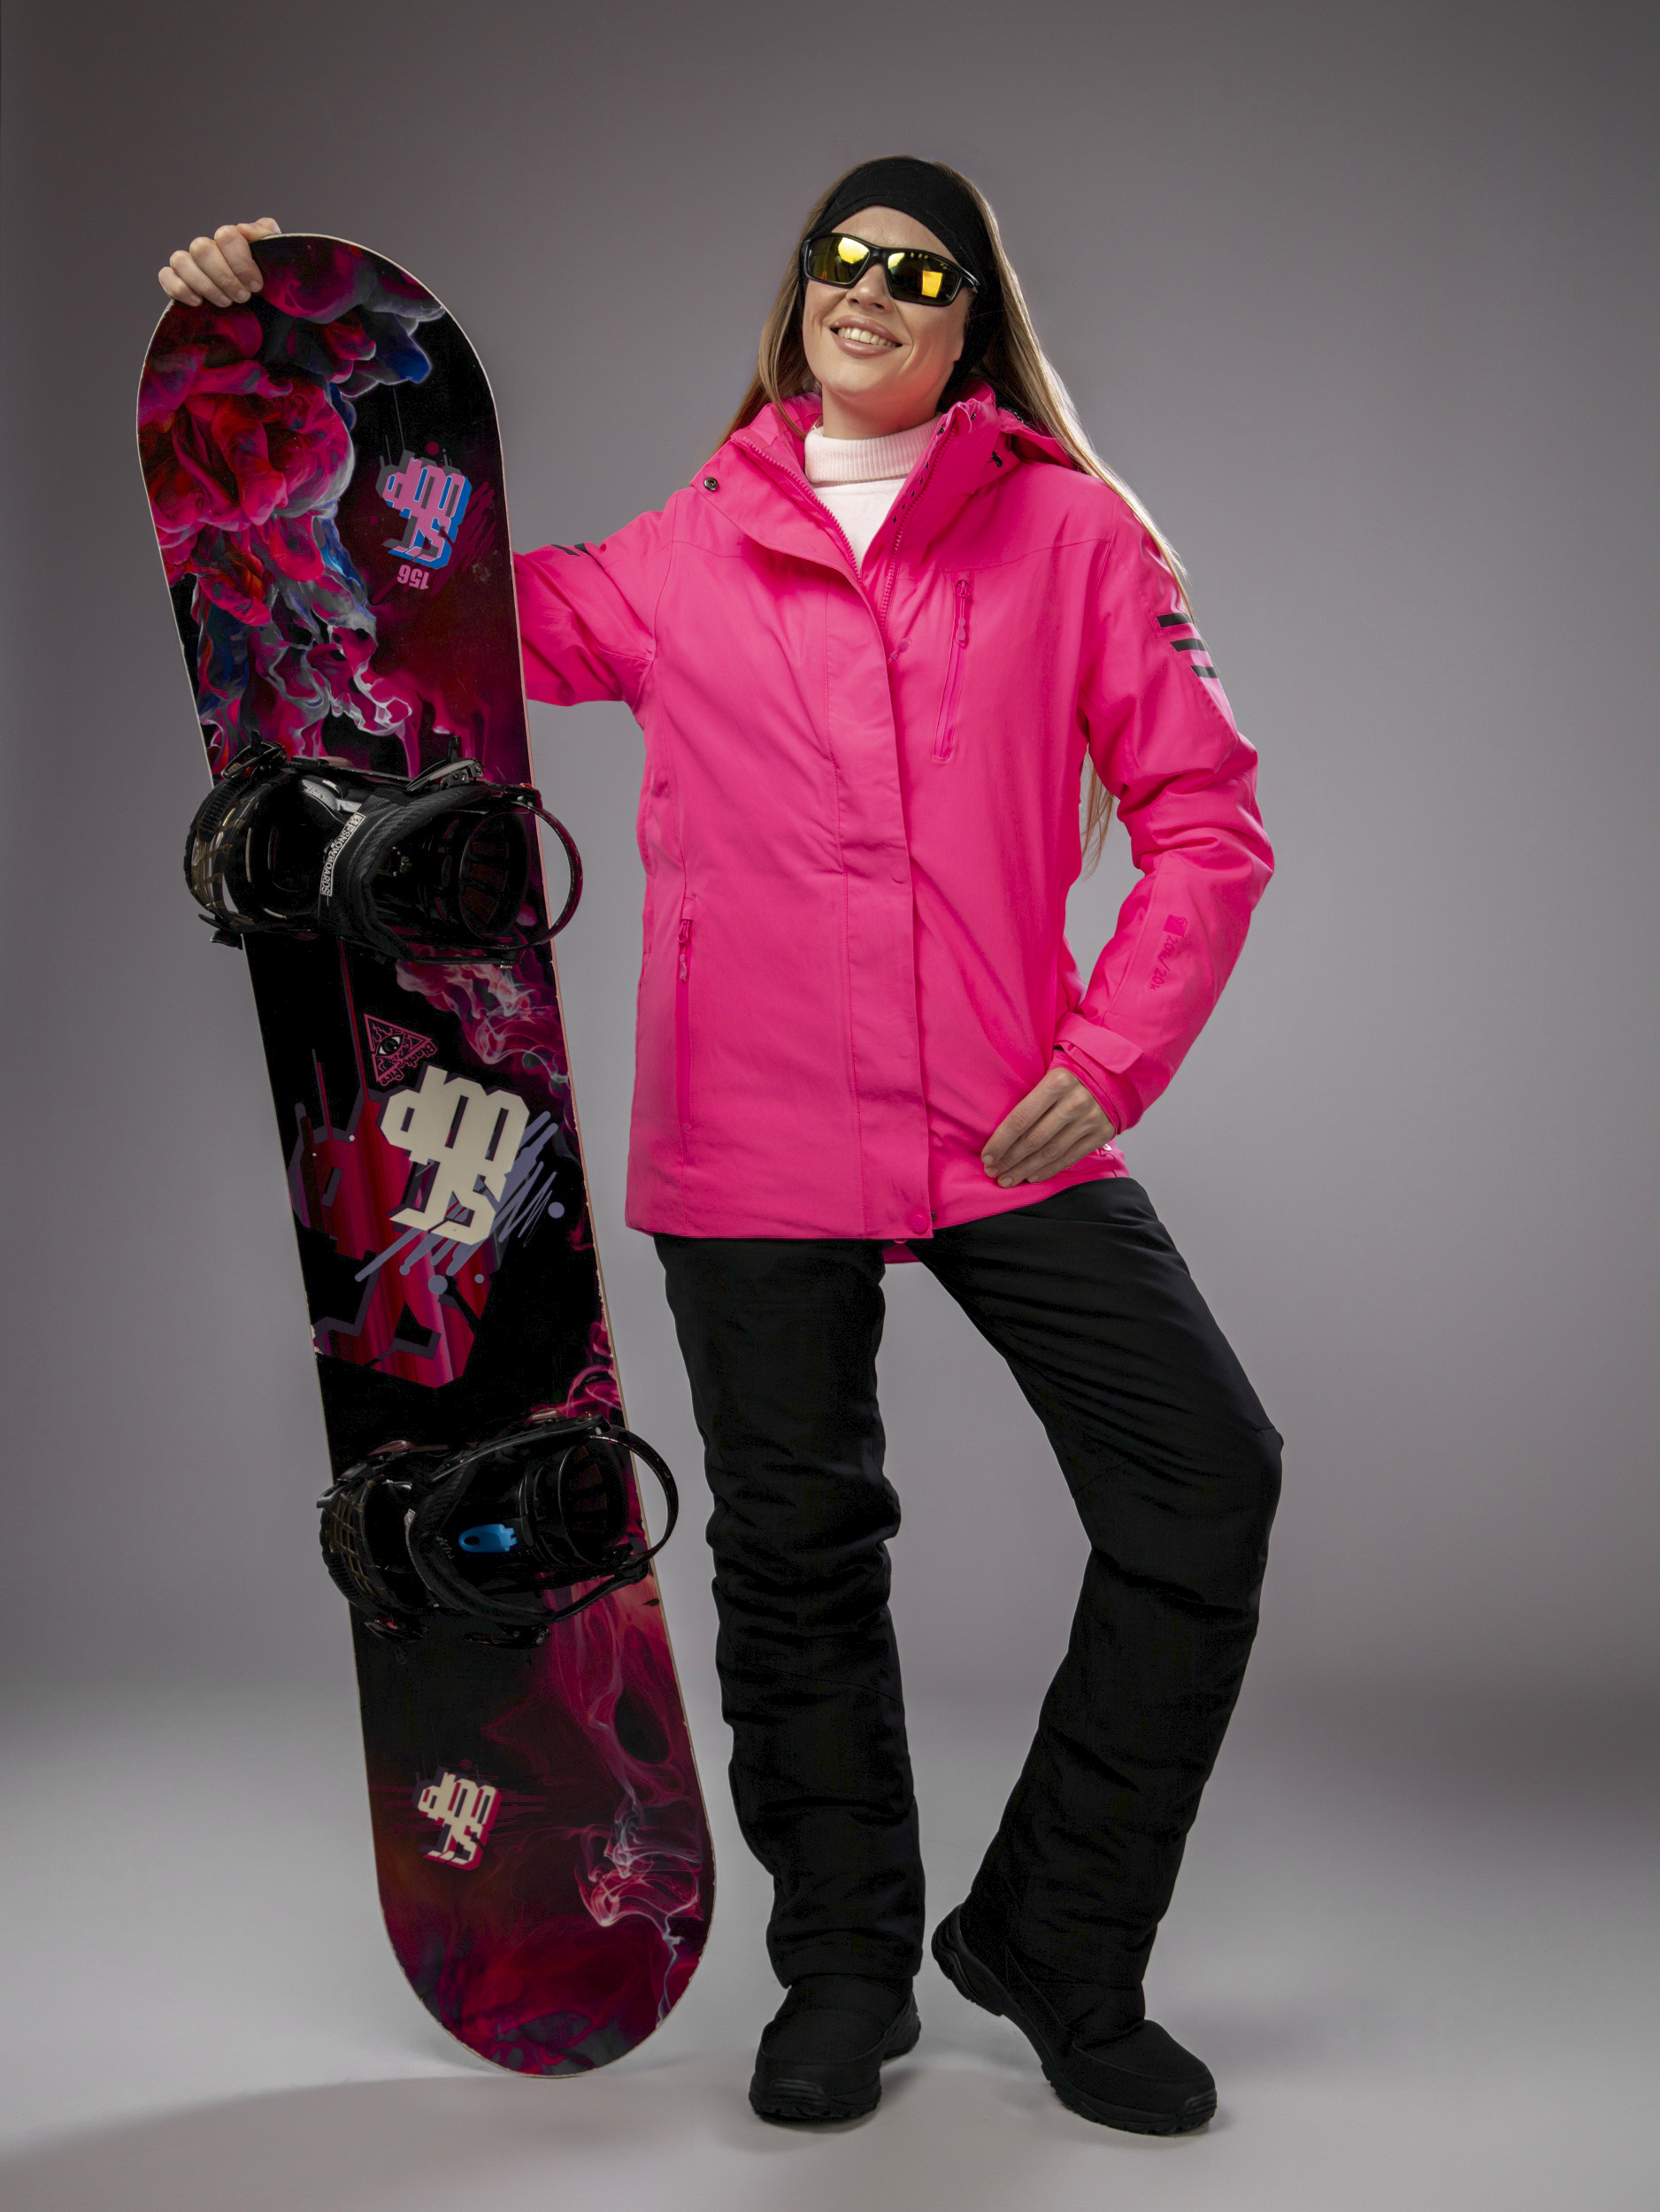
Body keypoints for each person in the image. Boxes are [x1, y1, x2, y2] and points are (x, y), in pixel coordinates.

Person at [160, 156, 1281, 2138]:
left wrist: (1110, 1058)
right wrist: (274, 349)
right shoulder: (697, 537)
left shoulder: (1072, 534)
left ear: (968, 324)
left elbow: (1205, 818)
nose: (871, 289)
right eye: (842, 257)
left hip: (997, 1113)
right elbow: (440, 624)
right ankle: (843, 1969)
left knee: (1205, 1476)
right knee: (795, 1551)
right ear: (797, 295)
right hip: (750, 1124)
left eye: (916, 272)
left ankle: (1061, 1938)